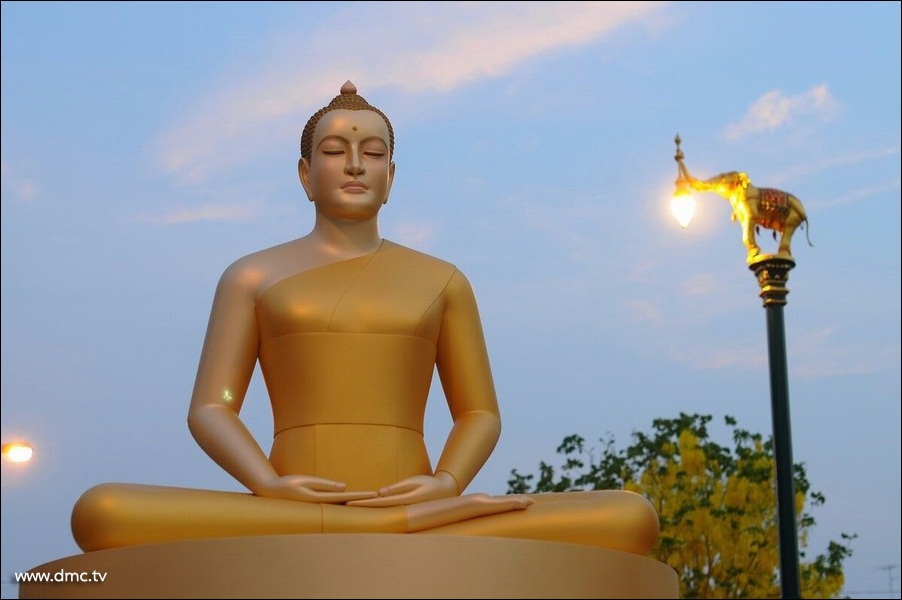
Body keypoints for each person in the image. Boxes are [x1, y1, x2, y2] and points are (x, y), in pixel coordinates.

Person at [71, 82, 659, 555]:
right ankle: (386, 528)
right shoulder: (252, 277)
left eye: (373, 154)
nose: (354, 164)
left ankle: (400, 522)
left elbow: (478, 413)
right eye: (334, 151)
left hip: (428, 502)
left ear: (391, 177)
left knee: (630, 516)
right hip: (289, 505)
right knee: (103, 511)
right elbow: (211, 407)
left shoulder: (442, 280)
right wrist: (268, 484)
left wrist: (448, 484)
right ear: (305, 174)